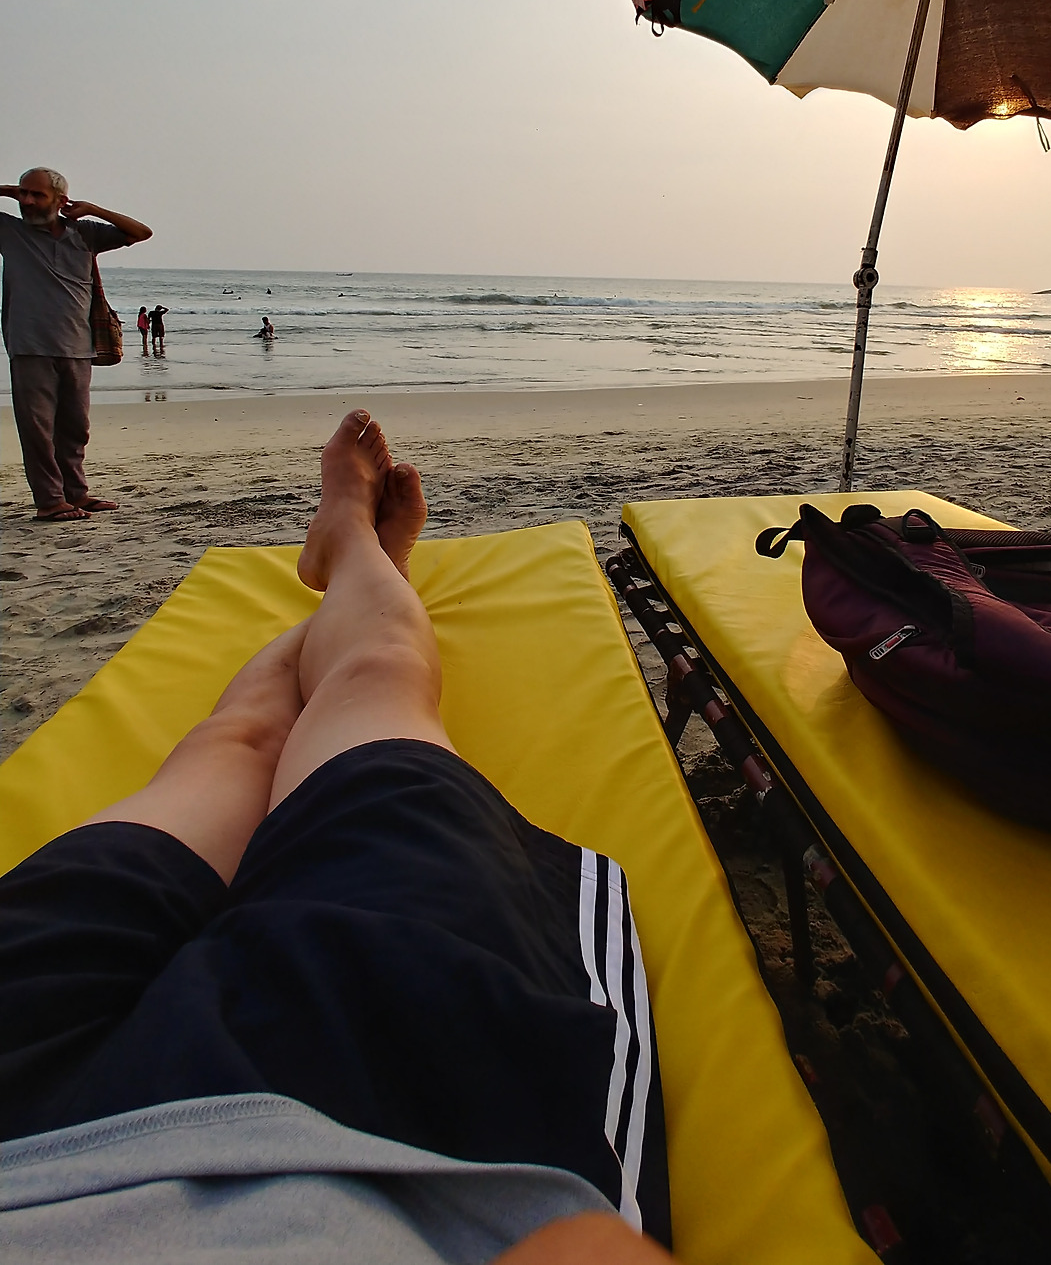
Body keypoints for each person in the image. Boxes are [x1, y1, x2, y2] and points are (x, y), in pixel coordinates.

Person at [0, 412, 673, 1264]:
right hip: (376, 1146)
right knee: (370, 679)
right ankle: (358, 553)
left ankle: (356, 558)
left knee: (239, 740)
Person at [0, 168, 152, 523]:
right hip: (30, 346)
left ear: (60, 200)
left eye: (37, 195)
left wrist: (93, 209)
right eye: (23, 193)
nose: (27, 201)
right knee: (37, 430)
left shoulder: (85, 233)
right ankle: (50, 501)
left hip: (78, 346)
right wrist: (5, 190)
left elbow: (141, 232)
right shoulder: (9, 230)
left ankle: (76, 493)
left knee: (75, 428)